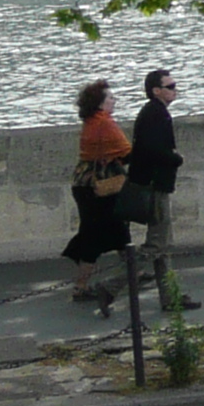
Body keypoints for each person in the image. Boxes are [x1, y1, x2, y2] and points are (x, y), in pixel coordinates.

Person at [61, 79, 135, 306]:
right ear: (101, 104)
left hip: (84, 184)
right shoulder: (105, 124)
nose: (114, 100)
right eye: (110, 98)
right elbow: (126, 154)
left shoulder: (91, 121)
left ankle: (132, 273)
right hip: (100, 187)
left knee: (115, 230)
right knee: (100, 234)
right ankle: (81, 287)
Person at [128, 68, 182, 278]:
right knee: (157, 244)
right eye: (170, 87)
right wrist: (176, 159)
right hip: (155, 185)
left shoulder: (154, 112)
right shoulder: (155, 114)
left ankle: (170, 296)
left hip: (154, 184)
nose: (174, 90)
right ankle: (112, 285)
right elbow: (154, 151)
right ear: (156, 91)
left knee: (163, 244)